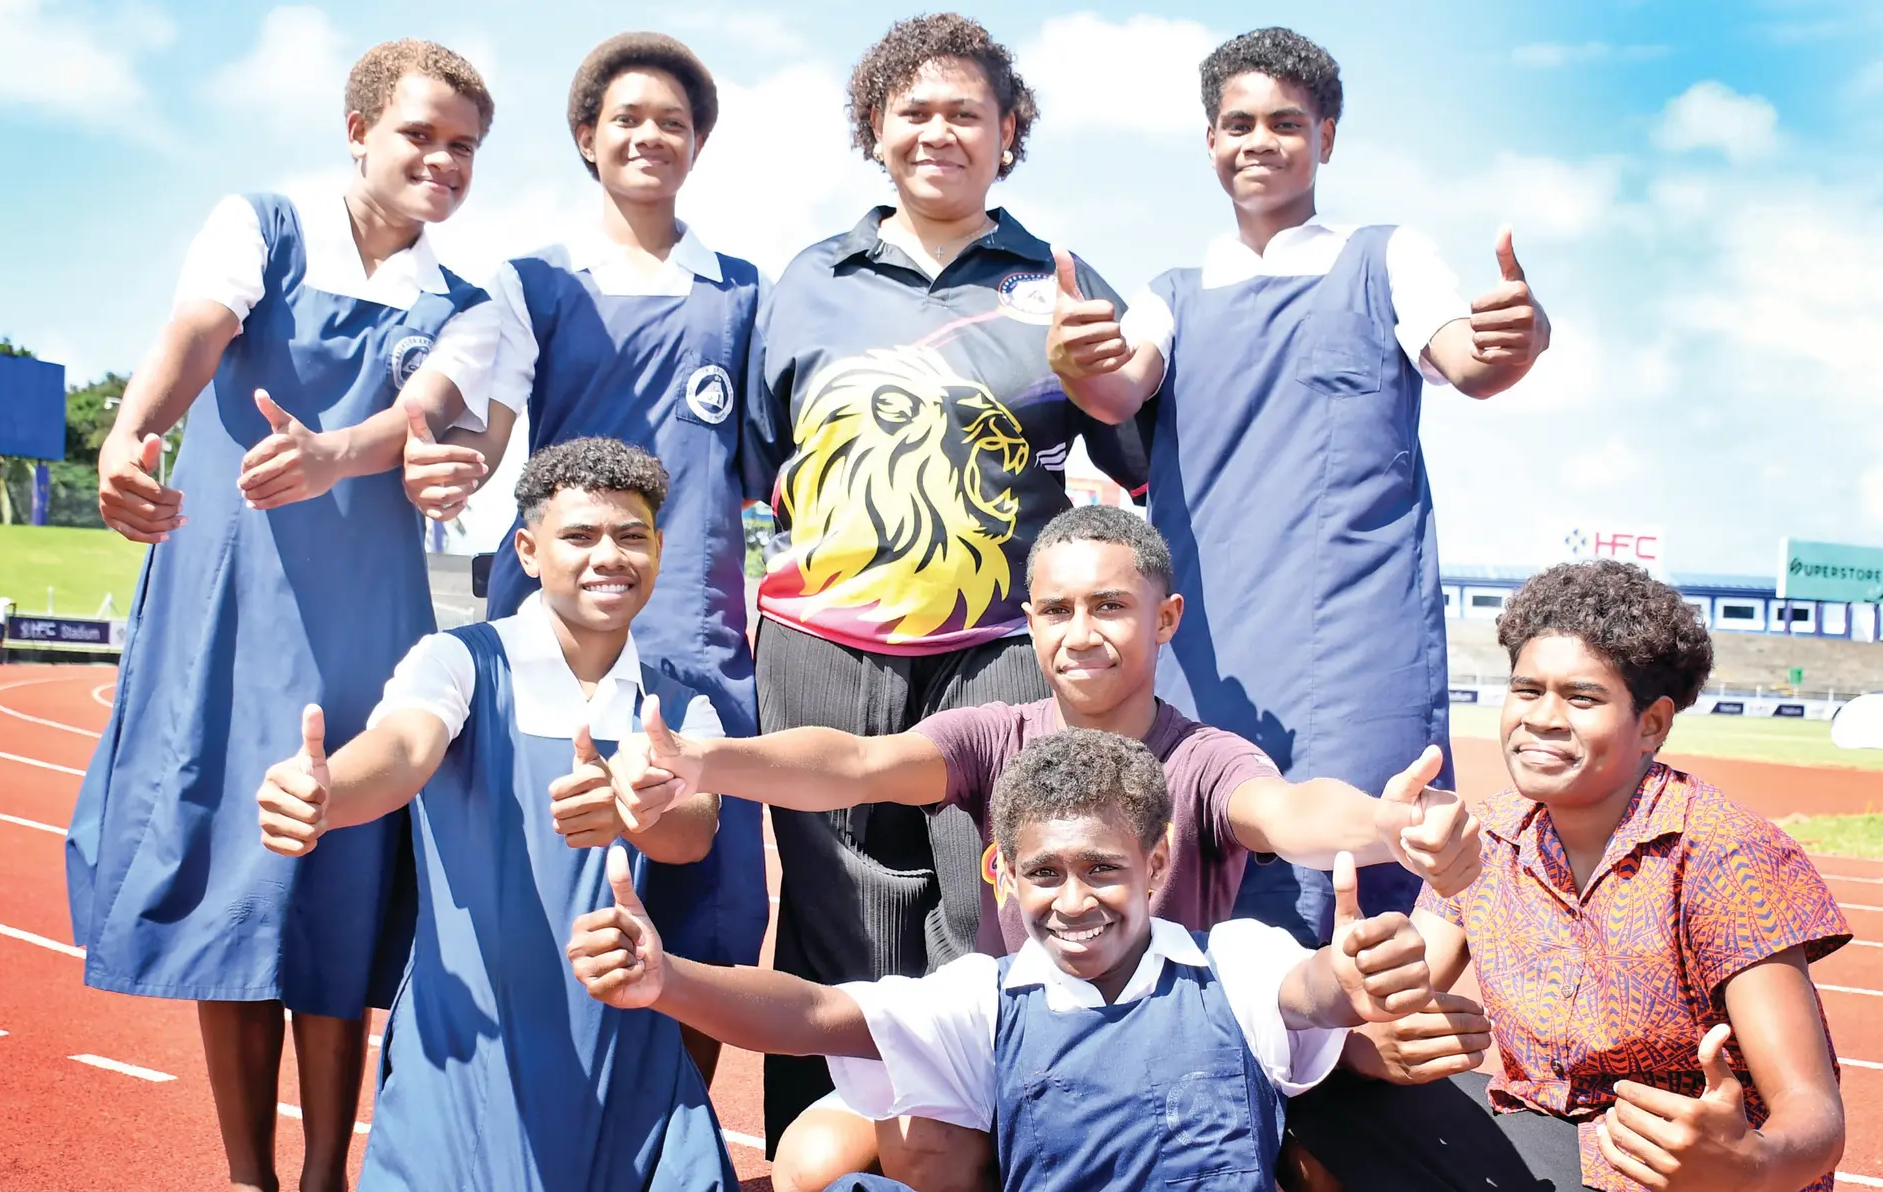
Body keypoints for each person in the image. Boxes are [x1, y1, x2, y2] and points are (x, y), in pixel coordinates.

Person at [608, 503, 1483, 1190]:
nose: (1081, 632)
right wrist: (706, 761)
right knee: (811, 1160)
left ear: (1166, 617)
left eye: (1110, 605)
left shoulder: (1205, 758)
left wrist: (1387, 826)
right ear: (1029, 624)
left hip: (1173, 1053)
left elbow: (1287, 813)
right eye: (1057, 610)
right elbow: (859, 763)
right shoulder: (994, 734)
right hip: (1025, 1045)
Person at [63, 40, 496, 1192]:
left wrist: (335, 457)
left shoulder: (468, 301)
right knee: (238, 889)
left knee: (338, 889)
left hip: (365, 624)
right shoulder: (260, 223)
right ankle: (252, 1175)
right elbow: (197, 334)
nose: (443, 162)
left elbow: (426, 411)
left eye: (465, 148)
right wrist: (128, 435)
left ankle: (323, 1176)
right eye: (420, 135)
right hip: (223, 609)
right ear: (358, 129)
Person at [1046, 26, 1553, 948]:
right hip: (1209, 641)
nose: (1259, 141)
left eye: (1286, 121)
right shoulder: (1173, 290)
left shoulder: (1387, 257)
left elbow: (1473, 361)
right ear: (1210, 142)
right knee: (1203, 861)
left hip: (1355, 641)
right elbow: (1117, 386)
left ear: (1327, 135)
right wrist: (1078, 362)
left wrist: (1523, 334)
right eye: (1237, 123)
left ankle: (1344, 1078)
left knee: (1355, 872)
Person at [746, 12, 1149, 1154]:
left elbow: (1133, 454)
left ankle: (1006, 1157)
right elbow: (763, 464)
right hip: (821, 651)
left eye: (965, 111)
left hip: (1001, 651)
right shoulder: (806, 281)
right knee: (834, 920)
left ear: (1008, 132)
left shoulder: (1060, 280)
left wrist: (1100, 374)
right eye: (912, 110)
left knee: (998, 918)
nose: (938, 131)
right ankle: (821, 1163)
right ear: (875, 128)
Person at [574, 728, 1437, 1192]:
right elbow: (813, 1016)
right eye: (1044, 874)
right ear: (1005, 875)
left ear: (1159, 862)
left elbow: (1312, 990)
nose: (1072, 900)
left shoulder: (1232, 967)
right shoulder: (988, 997)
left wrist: (1350, 979)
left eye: (1104, 868)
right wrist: (668, 982)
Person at [396, 31, 770, 1081]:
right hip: (552, 647)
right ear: (586, 139)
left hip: (692, 638)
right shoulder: (533, 283)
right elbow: (488, 413)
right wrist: (452, 460)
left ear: (698, 144)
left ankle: (674, 1136)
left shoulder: (742, 292)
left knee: (709, 911)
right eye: (627, 119)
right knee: (538, 900)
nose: (650, 136)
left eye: (673, 122)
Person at [254, 437, 739, 1190]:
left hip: (624, 1063)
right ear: (528, 549)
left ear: (659, 550)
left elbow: (693, 834)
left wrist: (632, 809)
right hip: (468, 1054)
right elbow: (405, 748)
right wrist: (329, 794)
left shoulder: (680, 706)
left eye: (631, 535)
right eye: (579, 536)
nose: (608, 555)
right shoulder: (458, 661)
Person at [1280, 561, 1849, 1192]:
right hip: (1551, 1139)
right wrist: (1364, 1039)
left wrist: (1753, 1162)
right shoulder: (1488, 836)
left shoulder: (1723, 852)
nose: (1543, 718)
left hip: (1676, 1173)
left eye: (1581, 698)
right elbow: (1398, 1002)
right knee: (1303, 1106)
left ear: (1653, 724)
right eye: (1526, 691)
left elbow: (1815, 1113)